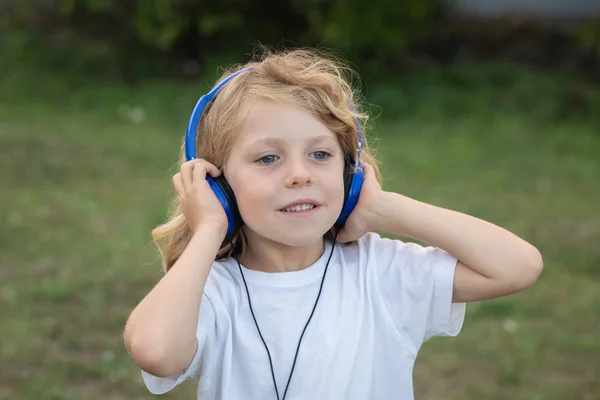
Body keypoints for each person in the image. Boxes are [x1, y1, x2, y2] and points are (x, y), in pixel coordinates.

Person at [123, 48, 543, 400]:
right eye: (268, 158)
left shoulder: (379, 272)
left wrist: (385, 209)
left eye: (320, 155)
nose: (299, 175)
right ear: (217, 185)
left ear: (350, 174)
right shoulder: (213, 291)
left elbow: (518, 266)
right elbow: (156, 351)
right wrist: (209, 228)